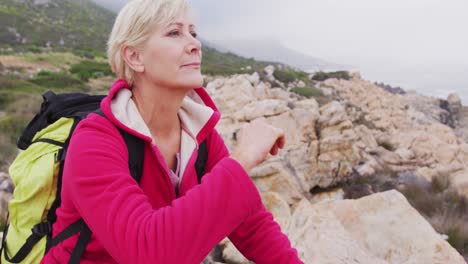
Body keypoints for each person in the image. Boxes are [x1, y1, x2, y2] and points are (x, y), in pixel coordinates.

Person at [41, 0, 303, 263]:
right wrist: (242, 159)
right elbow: (148, 252)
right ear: (134, 57)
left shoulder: (201, 137)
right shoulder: (95, 140)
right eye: (174, 33)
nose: (195, 44)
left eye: (193, 33)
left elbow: (253, 226)